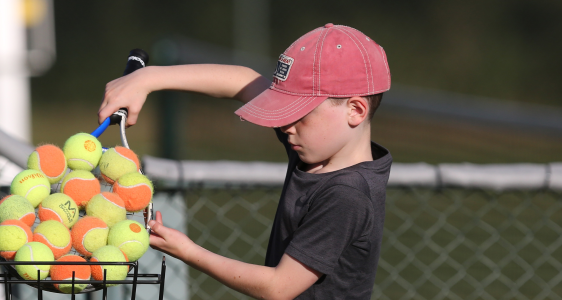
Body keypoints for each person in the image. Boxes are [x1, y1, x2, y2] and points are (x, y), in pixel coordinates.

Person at [99, 23, 392, 300]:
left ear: (355, 110)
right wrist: (149, 78)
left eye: (299, 112)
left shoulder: (346, 195)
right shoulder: (318, 148)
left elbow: (278, 287)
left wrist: (187, 251)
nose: (286, 125)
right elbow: (242, 81)